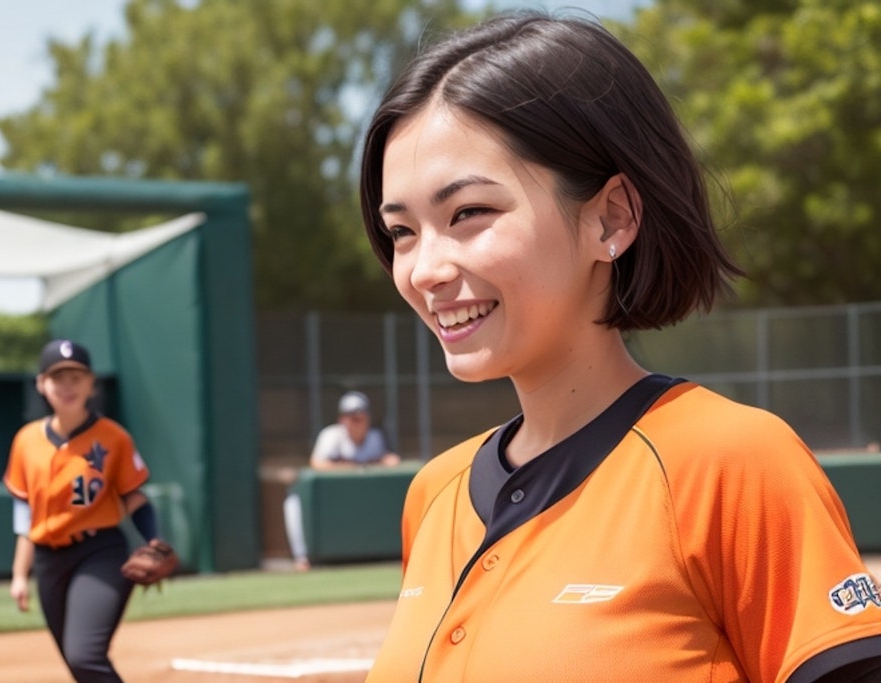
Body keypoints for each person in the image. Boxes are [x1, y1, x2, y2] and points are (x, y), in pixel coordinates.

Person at [357, 10, 881, 682]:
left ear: (612, 217)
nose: (424, 268)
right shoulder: (433, 493)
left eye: (469, 214)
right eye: (402, 231)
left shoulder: (733, 462)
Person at [3, 338, 166, 683]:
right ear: (41, 384)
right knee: (77, 663)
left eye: (76, 377)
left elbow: (133, 497)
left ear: (92, 384)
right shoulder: (26, 440)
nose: (67, 386)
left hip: (99, 552)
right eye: (58, 377)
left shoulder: (113, 437)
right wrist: (20, 574)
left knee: (85, 656)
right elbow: (25, 512)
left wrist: (154, 540)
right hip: (48, 560)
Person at [282, 390, 401, 570]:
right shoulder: (331, 435)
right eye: (352, 417)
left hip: (357, 499)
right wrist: (353, 466)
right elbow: (317, 463)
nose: (356, 421)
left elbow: (388, 460)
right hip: (326, 500)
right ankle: (302, 556)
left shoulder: (375, 437)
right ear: (342, 419)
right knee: (292, 503)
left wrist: (386, 459)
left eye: (360, 416)